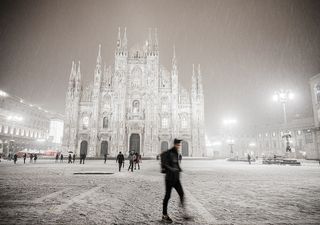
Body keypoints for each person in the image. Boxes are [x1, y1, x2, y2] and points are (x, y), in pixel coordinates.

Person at [161, 139, 190, 223]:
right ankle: (164, 215)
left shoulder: (176, 153)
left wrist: (179, 169)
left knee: (182, 194)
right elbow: (165, 164)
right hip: (169, 178)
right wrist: (172, 169)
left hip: (176, 178)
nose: (179, 146)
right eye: (178, 145)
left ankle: (184, 213)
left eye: (179, 145)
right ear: (174, 144)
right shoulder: (169, 153)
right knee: (167, 196)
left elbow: (176, 163)